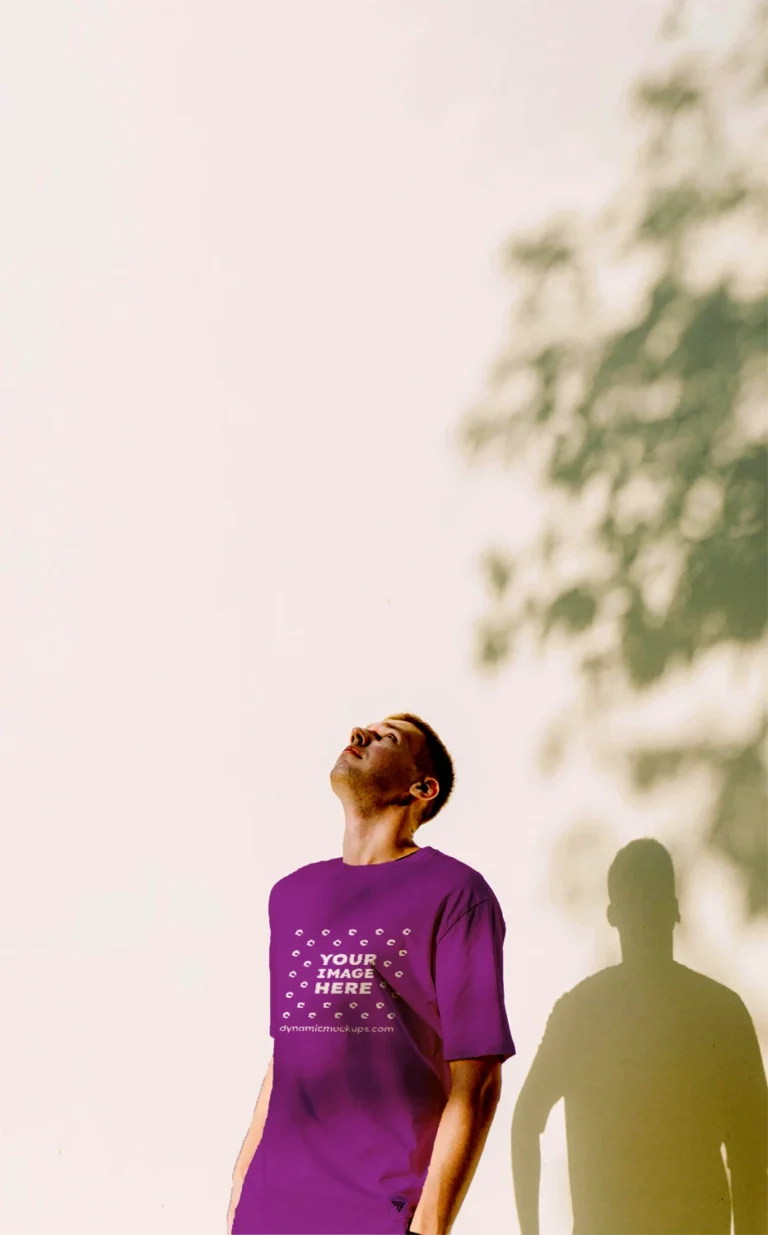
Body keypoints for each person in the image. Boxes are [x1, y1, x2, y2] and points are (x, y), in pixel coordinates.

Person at [227, 712, 516, 1235]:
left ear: (421, 788)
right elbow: (286, 1057)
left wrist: (430, 1226)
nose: (358, 736)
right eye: (362, 730)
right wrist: (240, 1192)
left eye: (387, 738)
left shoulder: (455, 894)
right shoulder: (292, 896)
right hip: (269, 1212)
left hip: (376, 1213)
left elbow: (477, 1080)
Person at [512, 838, 768, 1235]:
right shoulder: (722, 1012)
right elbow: (751, 1157)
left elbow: (526, 1122)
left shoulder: (580, 1012)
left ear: (613, 915)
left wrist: (530, 1231)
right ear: (676, 911)